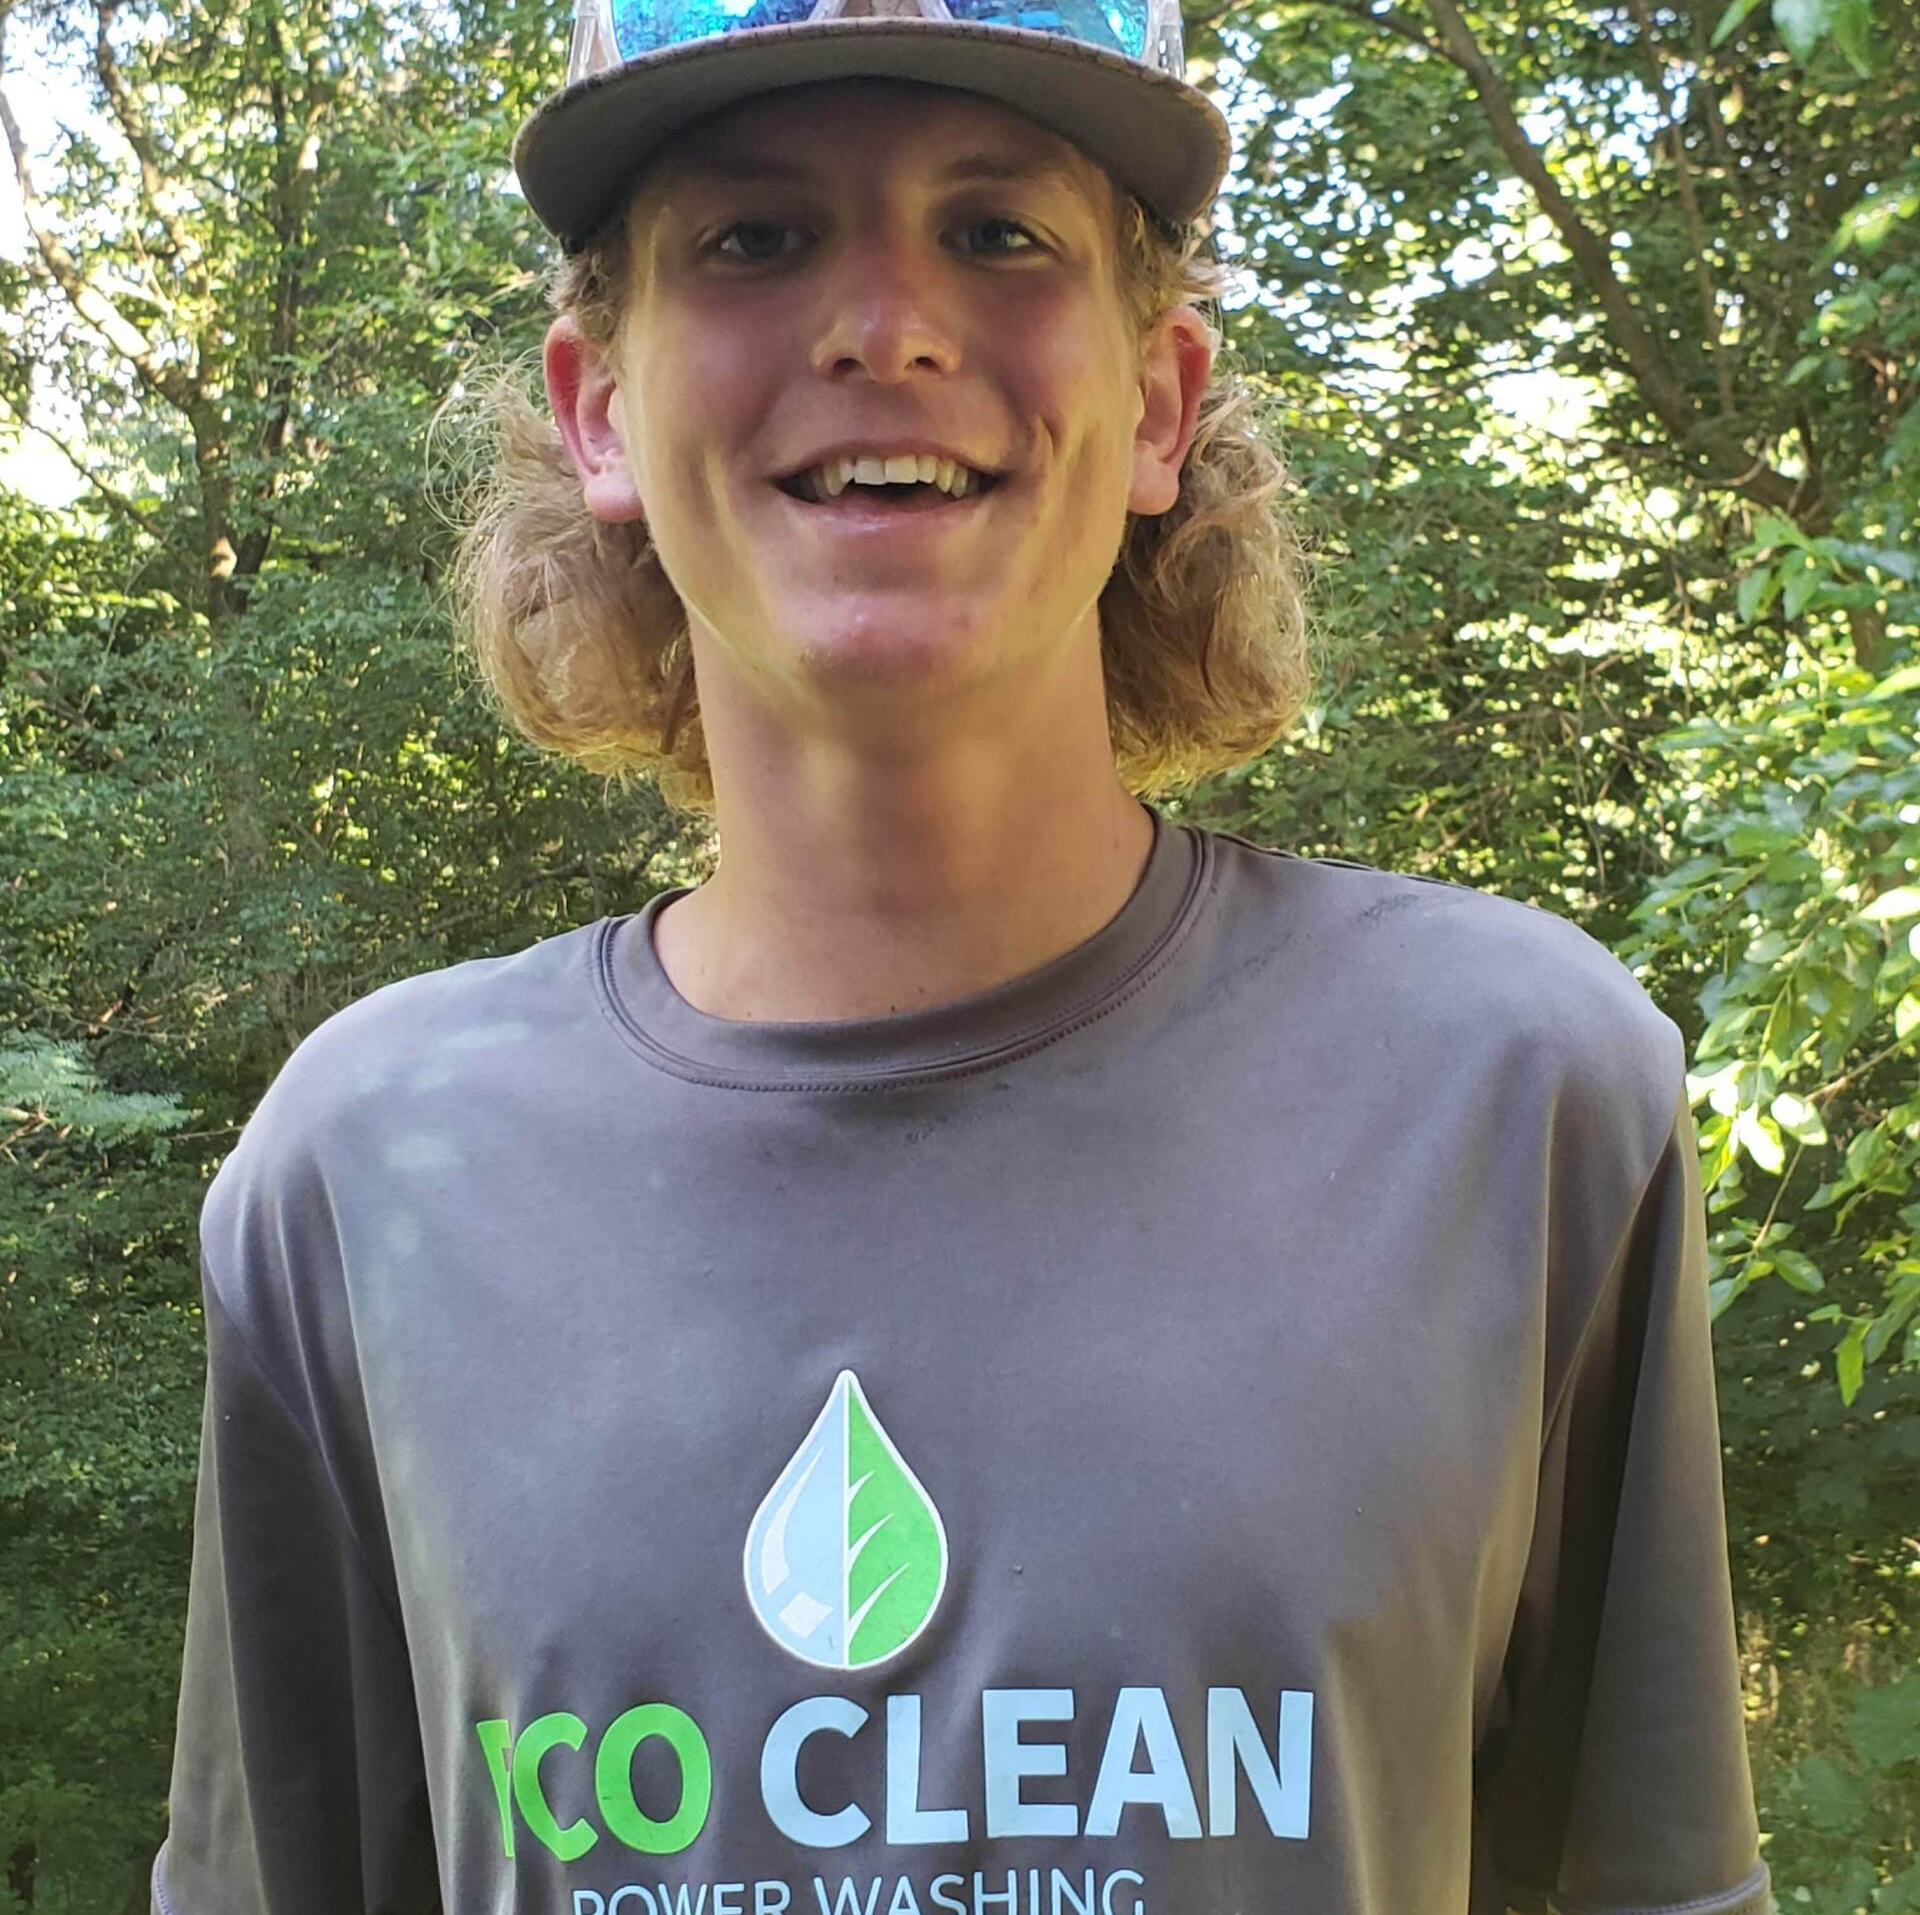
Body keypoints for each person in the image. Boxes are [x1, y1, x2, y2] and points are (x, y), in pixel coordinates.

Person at [150, 2, 1775, 1912]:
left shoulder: (1515, 1093)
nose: (887, 326)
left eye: (999, 233)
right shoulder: (364, 1171)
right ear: (601, 407)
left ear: (1159, 402)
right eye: (755, 239)